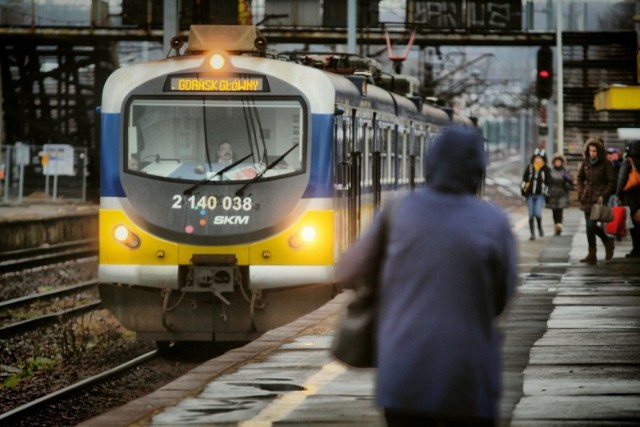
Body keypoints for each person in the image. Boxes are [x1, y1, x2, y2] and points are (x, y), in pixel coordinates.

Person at [336, 126, 518, 427]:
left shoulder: (398, 210)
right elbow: (501, 298)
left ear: (431, 164)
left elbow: (348, 271)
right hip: (468, 375)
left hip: (404, 372)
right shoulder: (494, 221)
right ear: (478, 169)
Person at [576, 137, 616, 264]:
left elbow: (612, 182)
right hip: (587, 197)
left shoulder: (606, 164)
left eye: (594, 151)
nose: (592, 153)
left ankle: (607, 242)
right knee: (589, 227)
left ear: (599, 151)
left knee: (591, 225)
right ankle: (592, 253)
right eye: (590, 151)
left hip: (598, 198)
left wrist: (604, 195)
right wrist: (581, 190)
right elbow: (580, 178)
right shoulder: (586, 162)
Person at [616, 140, 640, 258]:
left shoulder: (628, 162)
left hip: (630, 197)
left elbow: (621, 179)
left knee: (634, 226)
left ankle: (636, 250)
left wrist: (617, 194)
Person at [520, 148, 550, 240]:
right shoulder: (529, 168)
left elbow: (548, 183)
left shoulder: (546, 169)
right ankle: (532, 233)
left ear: (543, 159)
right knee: (531, 214)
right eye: (536, 158)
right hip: (530, 195)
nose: (538, 160)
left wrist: (547, 194)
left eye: (540, 158)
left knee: (537, 213)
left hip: (540, 195)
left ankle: (540, 227)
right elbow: (524, 180)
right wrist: (523, 190)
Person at [546, 153, 573, 236]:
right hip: (553, 193)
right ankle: (556, 225)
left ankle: (559, 226)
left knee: (560, 211)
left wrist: (567, 180)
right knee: (554, 211)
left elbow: (570, 181)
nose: (558, 163)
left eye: (559, 161)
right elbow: (547, 182)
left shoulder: (565, 171)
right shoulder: (550, 171)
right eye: (556, 161)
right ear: (554, 162)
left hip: (562, 193)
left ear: (562, 162)